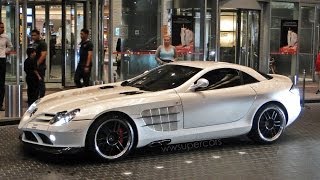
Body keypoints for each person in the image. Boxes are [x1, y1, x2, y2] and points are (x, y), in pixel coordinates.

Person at [30, 29, 47, 98]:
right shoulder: (34, 43)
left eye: (34, 35)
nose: (33, 37)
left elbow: (43, 55)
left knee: (40, 82)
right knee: (35, 83)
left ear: (38, 35)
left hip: (40, 66)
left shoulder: (42, 43)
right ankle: (35, 97)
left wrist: (37, 64)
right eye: (32, 35)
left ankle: (42, 97)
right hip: (34, 66)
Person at [0, 22, 13, 111]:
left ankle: (0, 104)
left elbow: (10, 46)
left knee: (1, 83)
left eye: (3, 27)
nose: (2, 28)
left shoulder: (5, 37)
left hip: (1, 59)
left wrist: (5, 51)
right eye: (1, 27)